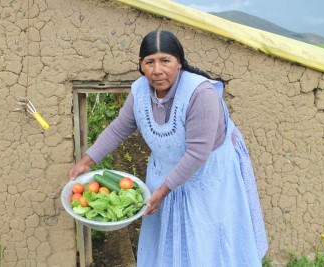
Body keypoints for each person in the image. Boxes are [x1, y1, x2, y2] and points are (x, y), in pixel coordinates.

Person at [69, 30, 268, 266]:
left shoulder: (200, 94)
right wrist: (87, 160)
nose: (157, 70)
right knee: (167, 239)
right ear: (141, 65)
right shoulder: (140, 91)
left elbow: (197, 154)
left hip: (206, 178)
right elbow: (119, 128)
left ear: (179, 63)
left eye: (165, 61)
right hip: (165, 171)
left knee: (205, 242)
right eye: (149, 62)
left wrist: (163, 191)